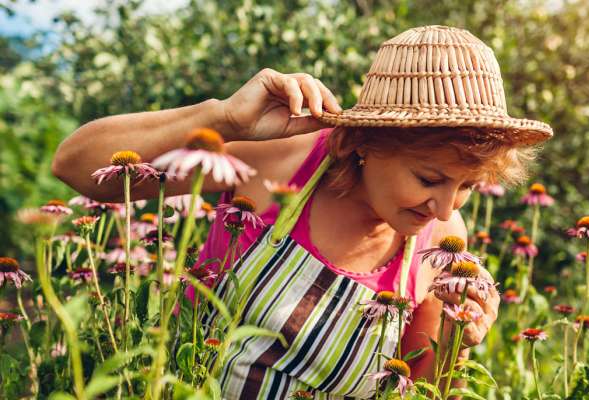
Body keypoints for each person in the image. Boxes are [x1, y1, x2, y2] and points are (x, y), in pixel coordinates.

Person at [53, 25, 552, 398]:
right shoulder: (280, 164)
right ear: (363, 142)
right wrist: (224, 117)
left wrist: (455, 340)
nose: (444, 207)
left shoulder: (443, 240)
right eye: (428, 179)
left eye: (467, 185)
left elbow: (413, 388)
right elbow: (76, 166)